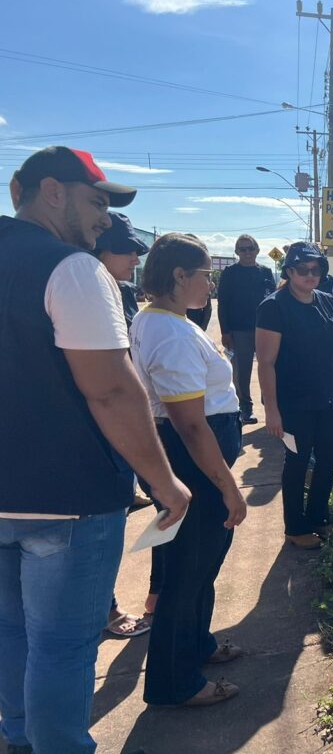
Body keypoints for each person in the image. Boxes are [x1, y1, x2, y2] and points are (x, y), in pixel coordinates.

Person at [1, 146, 190, 753]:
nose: (105, 218)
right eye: (96, 201)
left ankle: (20, 738)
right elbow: (110, 389)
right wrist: (163, 481)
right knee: (62, 646)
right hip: (67, 498)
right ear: (49, 191)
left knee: (10, 634)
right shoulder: (73, 269)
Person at [131, 233, 247, 708]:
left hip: (195, 460)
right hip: (194, 463)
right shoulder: (169, 332)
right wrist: (228, 487)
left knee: (200, 565)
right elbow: (192, 425)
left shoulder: (166, 321)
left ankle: (197, 645)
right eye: (205, 275)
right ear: (179, 276)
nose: (210, 284)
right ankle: (174, 683)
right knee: (188, 571)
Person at [256, 242, 333, 550]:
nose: (310, 275)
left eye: (316, 269)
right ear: (289, 271)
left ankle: (318, 516)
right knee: (297, 463)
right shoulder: (274, 307)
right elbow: (266, 362)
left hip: (327, 397)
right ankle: (295, 528)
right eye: (302, 269)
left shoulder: (324, 300)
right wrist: (272, 409)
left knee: (328, 458)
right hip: (294, 402)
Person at [90, 212, 155, 639]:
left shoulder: (123, 292)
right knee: (97, 531)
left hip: (118, 428)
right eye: (126, 250)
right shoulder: (87, 292)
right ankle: (105, 609)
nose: (135, 258)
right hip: (101, 428)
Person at [217, 234, 276, 425]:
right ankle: (245, 408)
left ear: (257, 250)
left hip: (265, 329)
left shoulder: (265, 272)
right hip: (239, 329)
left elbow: (274, 300)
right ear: (237, 252)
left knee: (270, 366)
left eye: (250, 248)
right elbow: (223, 303)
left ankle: (269, 402)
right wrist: (225, 331)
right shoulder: (230, 273)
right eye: (243, 249)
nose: (247, 252)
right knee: (242, 371)